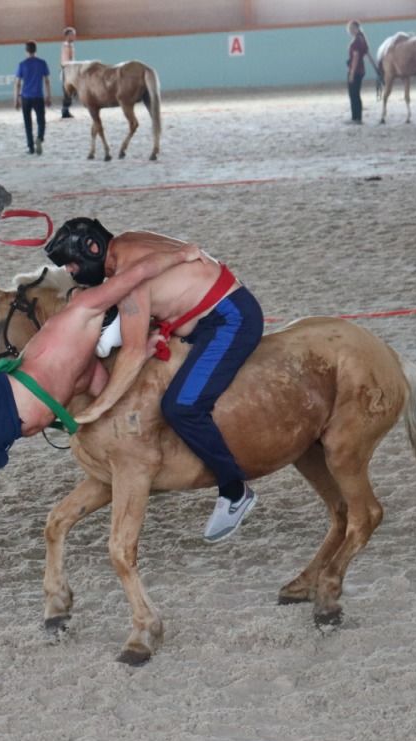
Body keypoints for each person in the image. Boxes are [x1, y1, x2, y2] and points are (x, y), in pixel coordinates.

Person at [0, 230, 200, 527]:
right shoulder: (82, 308)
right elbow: (138, 272)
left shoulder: (90, 369)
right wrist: (180, 255)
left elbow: (107, 398)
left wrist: (143, 353)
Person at [47, 218, 265, 541]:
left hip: (229, 319)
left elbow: (134, 353)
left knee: (182, 406)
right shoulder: (125, 240)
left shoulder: (129, 279)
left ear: (92, 250)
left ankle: (234, 491)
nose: (71, 272)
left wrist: (99, 406)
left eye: (73, 264)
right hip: (210, 308)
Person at [14, 41, 52, 155]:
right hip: (38, 96)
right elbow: (46, 81)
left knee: (28, 123)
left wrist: (16, 99)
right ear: (36, 50)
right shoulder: (42, 63)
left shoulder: (22, 64)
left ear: (26, 51)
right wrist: (48, 96)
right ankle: (39, 138)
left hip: (26, 97)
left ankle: (30, 147)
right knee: (41, 121)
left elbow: (17, 83)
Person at [346, 20, 371, 124]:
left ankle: (356, 118)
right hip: (360, 70)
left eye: (352, 28)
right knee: (356, 94)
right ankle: (357, 117)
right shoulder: (362, 39)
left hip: (356, 71)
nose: (350, 30)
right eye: (349, 29)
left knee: (353, 94)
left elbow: (356, 58)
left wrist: (352, 73)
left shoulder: (357, 41)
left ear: (357, 28)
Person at [60, 27, 77, 118]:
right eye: (72, 35)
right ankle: (65, 111)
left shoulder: (70, 46)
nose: (74, 37)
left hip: (69, 70)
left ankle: (66, 110)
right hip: (67, 71)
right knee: (67, 92)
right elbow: (66, 61)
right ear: (67, 36)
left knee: (69, 92)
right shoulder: (67, 46)